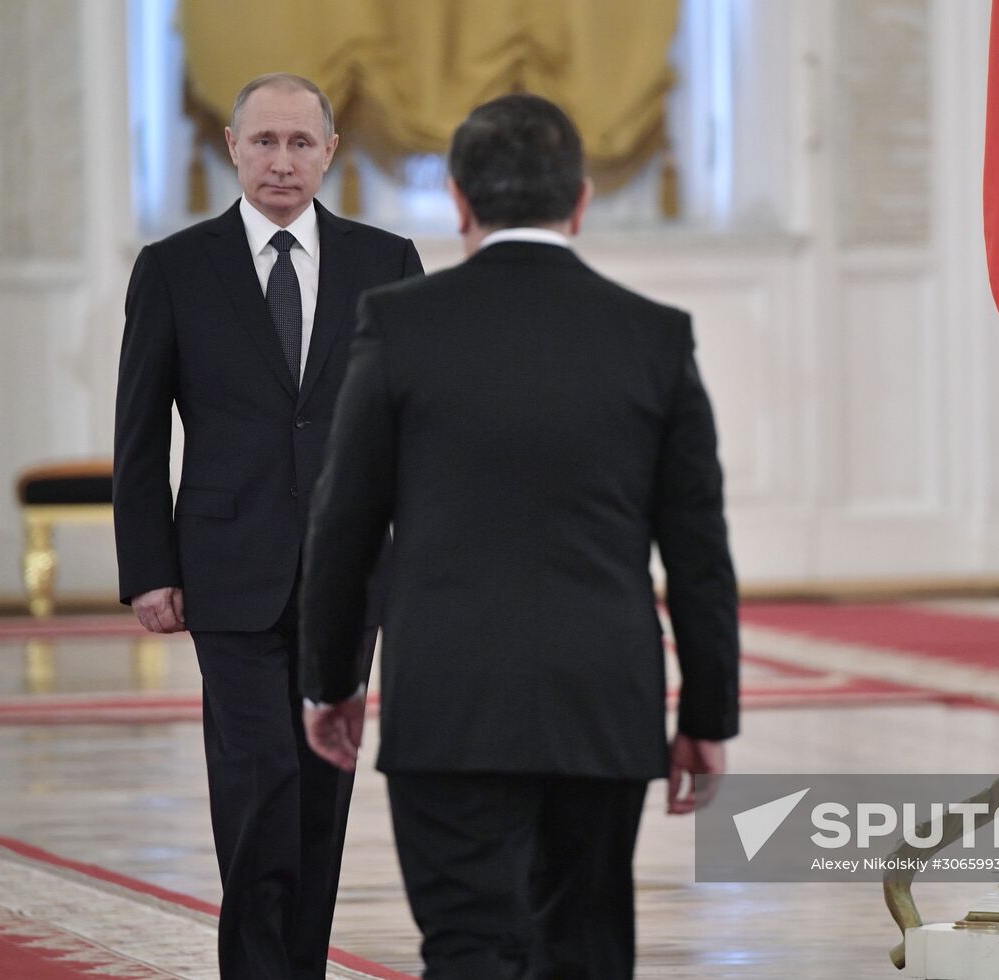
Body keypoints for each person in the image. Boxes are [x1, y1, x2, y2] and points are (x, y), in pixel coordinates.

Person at [299, 93, 740, 979]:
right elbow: (697, 548)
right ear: (580, 200)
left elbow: (343, 524)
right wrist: (706, 714)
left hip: (449, 699)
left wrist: (331, 680)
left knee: (467, 948)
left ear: (459, 201)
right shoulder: (654, 337)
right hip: (601, 701)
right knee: (585, 949)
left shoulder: (400, 324)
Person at [112, 72, 422, 978]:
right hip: (226, 569)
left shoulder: (386, 262)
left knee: (321, 794)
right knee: (259, 787)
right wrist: (147, 566)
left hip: (349, 577)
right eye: (263, 142)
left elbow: (413, 428)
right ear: (232, 148)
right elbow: (138, 434)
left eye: (299, 143)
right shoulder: (174, 268)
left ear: (329, 152)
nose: (281, 161)